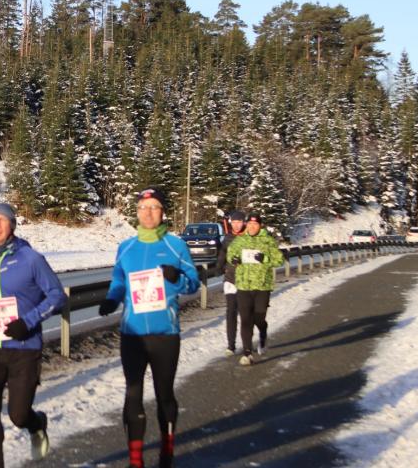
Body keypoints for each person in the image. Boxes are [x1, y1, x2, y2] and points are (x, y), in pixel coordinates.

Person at [97, 186, 201, 468]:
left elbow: (193, 283)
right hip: (132, 334)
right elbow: (119, 280)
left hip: (165, 334)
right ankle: (135, 460)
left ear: (163, 212)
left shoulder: (175, 245)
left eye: (154, 207)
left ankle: (167, 452)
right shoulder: (126, 247)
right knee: (132, 392)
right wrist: (111, 299)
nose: (148, 213)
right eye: (144, 208)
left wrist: (176, 277)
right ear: (137, 212)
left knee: (164, 393)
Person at [0, 203, 66, 467]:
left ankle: (36, 423)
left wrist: (27, 322)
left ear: (12, 225)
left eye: (2, 220)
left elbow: (57, 296)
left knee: (17, 415)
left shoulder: (31, 259)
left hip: (24, 348)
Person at [225, 211, 284, 366]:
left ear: (260, 225)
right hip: (243, 285)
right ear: (246, 224)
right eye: (250, 224)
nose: (252, 227)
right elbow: (230, 255)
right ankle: (247, 353)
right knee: (245, 319)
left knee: (259, 318)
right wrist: (234, 259)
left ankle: (263, 331)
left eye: (255, 224)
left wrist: (265, 259)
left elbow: (279, 260)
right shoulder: (240, 240)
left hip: (262, 286)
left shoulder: (268, 241)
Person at [219, 210, 248, 355]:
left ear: (244, 222)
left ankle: (246, 345)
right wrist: (218, 268)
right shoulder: (228, 237)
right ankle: (231, 345)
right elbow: (222, 255)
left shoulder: (249, 237)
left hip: (246, 281)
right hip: (230, 280)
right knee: (231, 312)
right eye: (234, 222)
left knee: (245, 314)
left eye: (239, 222)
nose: (236, 225)